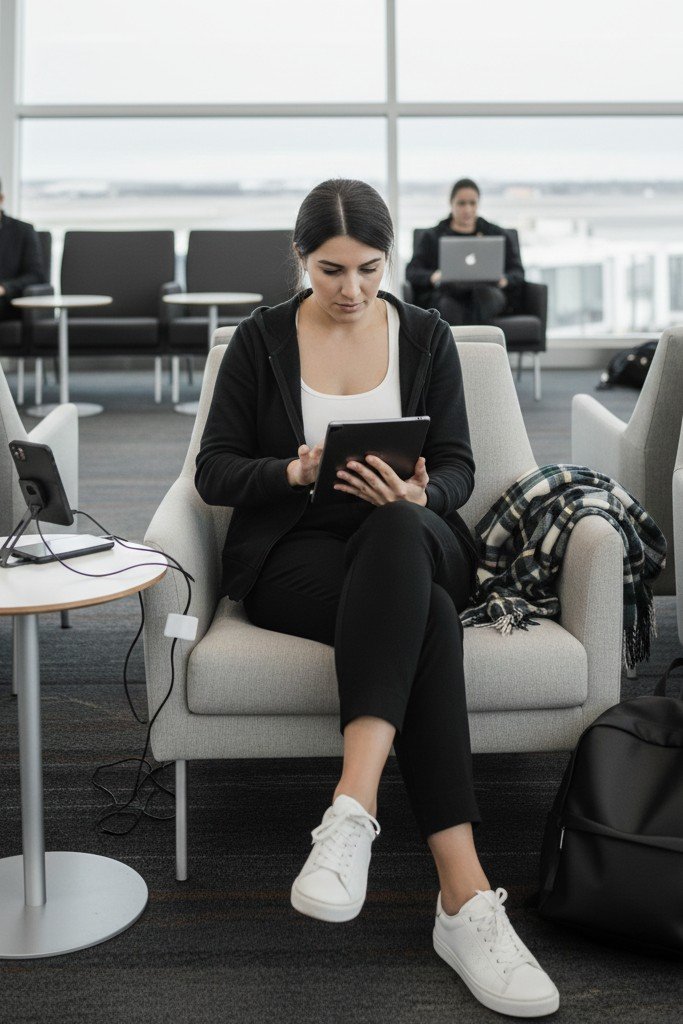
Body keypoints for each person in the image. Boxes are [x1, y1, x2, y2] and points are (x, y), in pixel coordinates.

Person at [195, 179, 559, 1019]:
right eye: (329, 271)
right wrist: (294, 470)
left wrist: (424, 494)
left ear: (387, 260)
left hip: (411, 535)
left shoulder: (425, 335)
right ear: (299, 259)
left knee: (396, 532)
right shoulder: (259, 341)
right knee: (424, 618)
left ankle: (351, 810)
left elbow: (462, 466)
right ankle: (463, 902)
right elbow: (214, 471)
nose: (351, 290)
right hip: (295, 553)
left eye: (366, 269)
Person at [406, 178, 525, 326]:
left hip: (487, 292)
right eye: (461, 203)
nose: (467, 209)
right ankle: (470, 346)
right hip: (448, 293)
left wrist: (504, 279)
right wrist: (433, 276)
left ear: (478, 204)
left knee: (486, 298)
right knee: (448, 304)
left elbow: (518, 272)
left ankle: (465, 346)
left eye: (472, 203)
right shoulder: (432, 236)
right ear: (451, 203)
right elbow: (412, 271)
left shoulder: (496, 234)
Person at [0, 180, 46, 321]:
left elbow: (36, 275)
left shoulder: (22, 231)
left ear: (1, 199)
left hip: (8, 303)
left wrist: (4, 288)